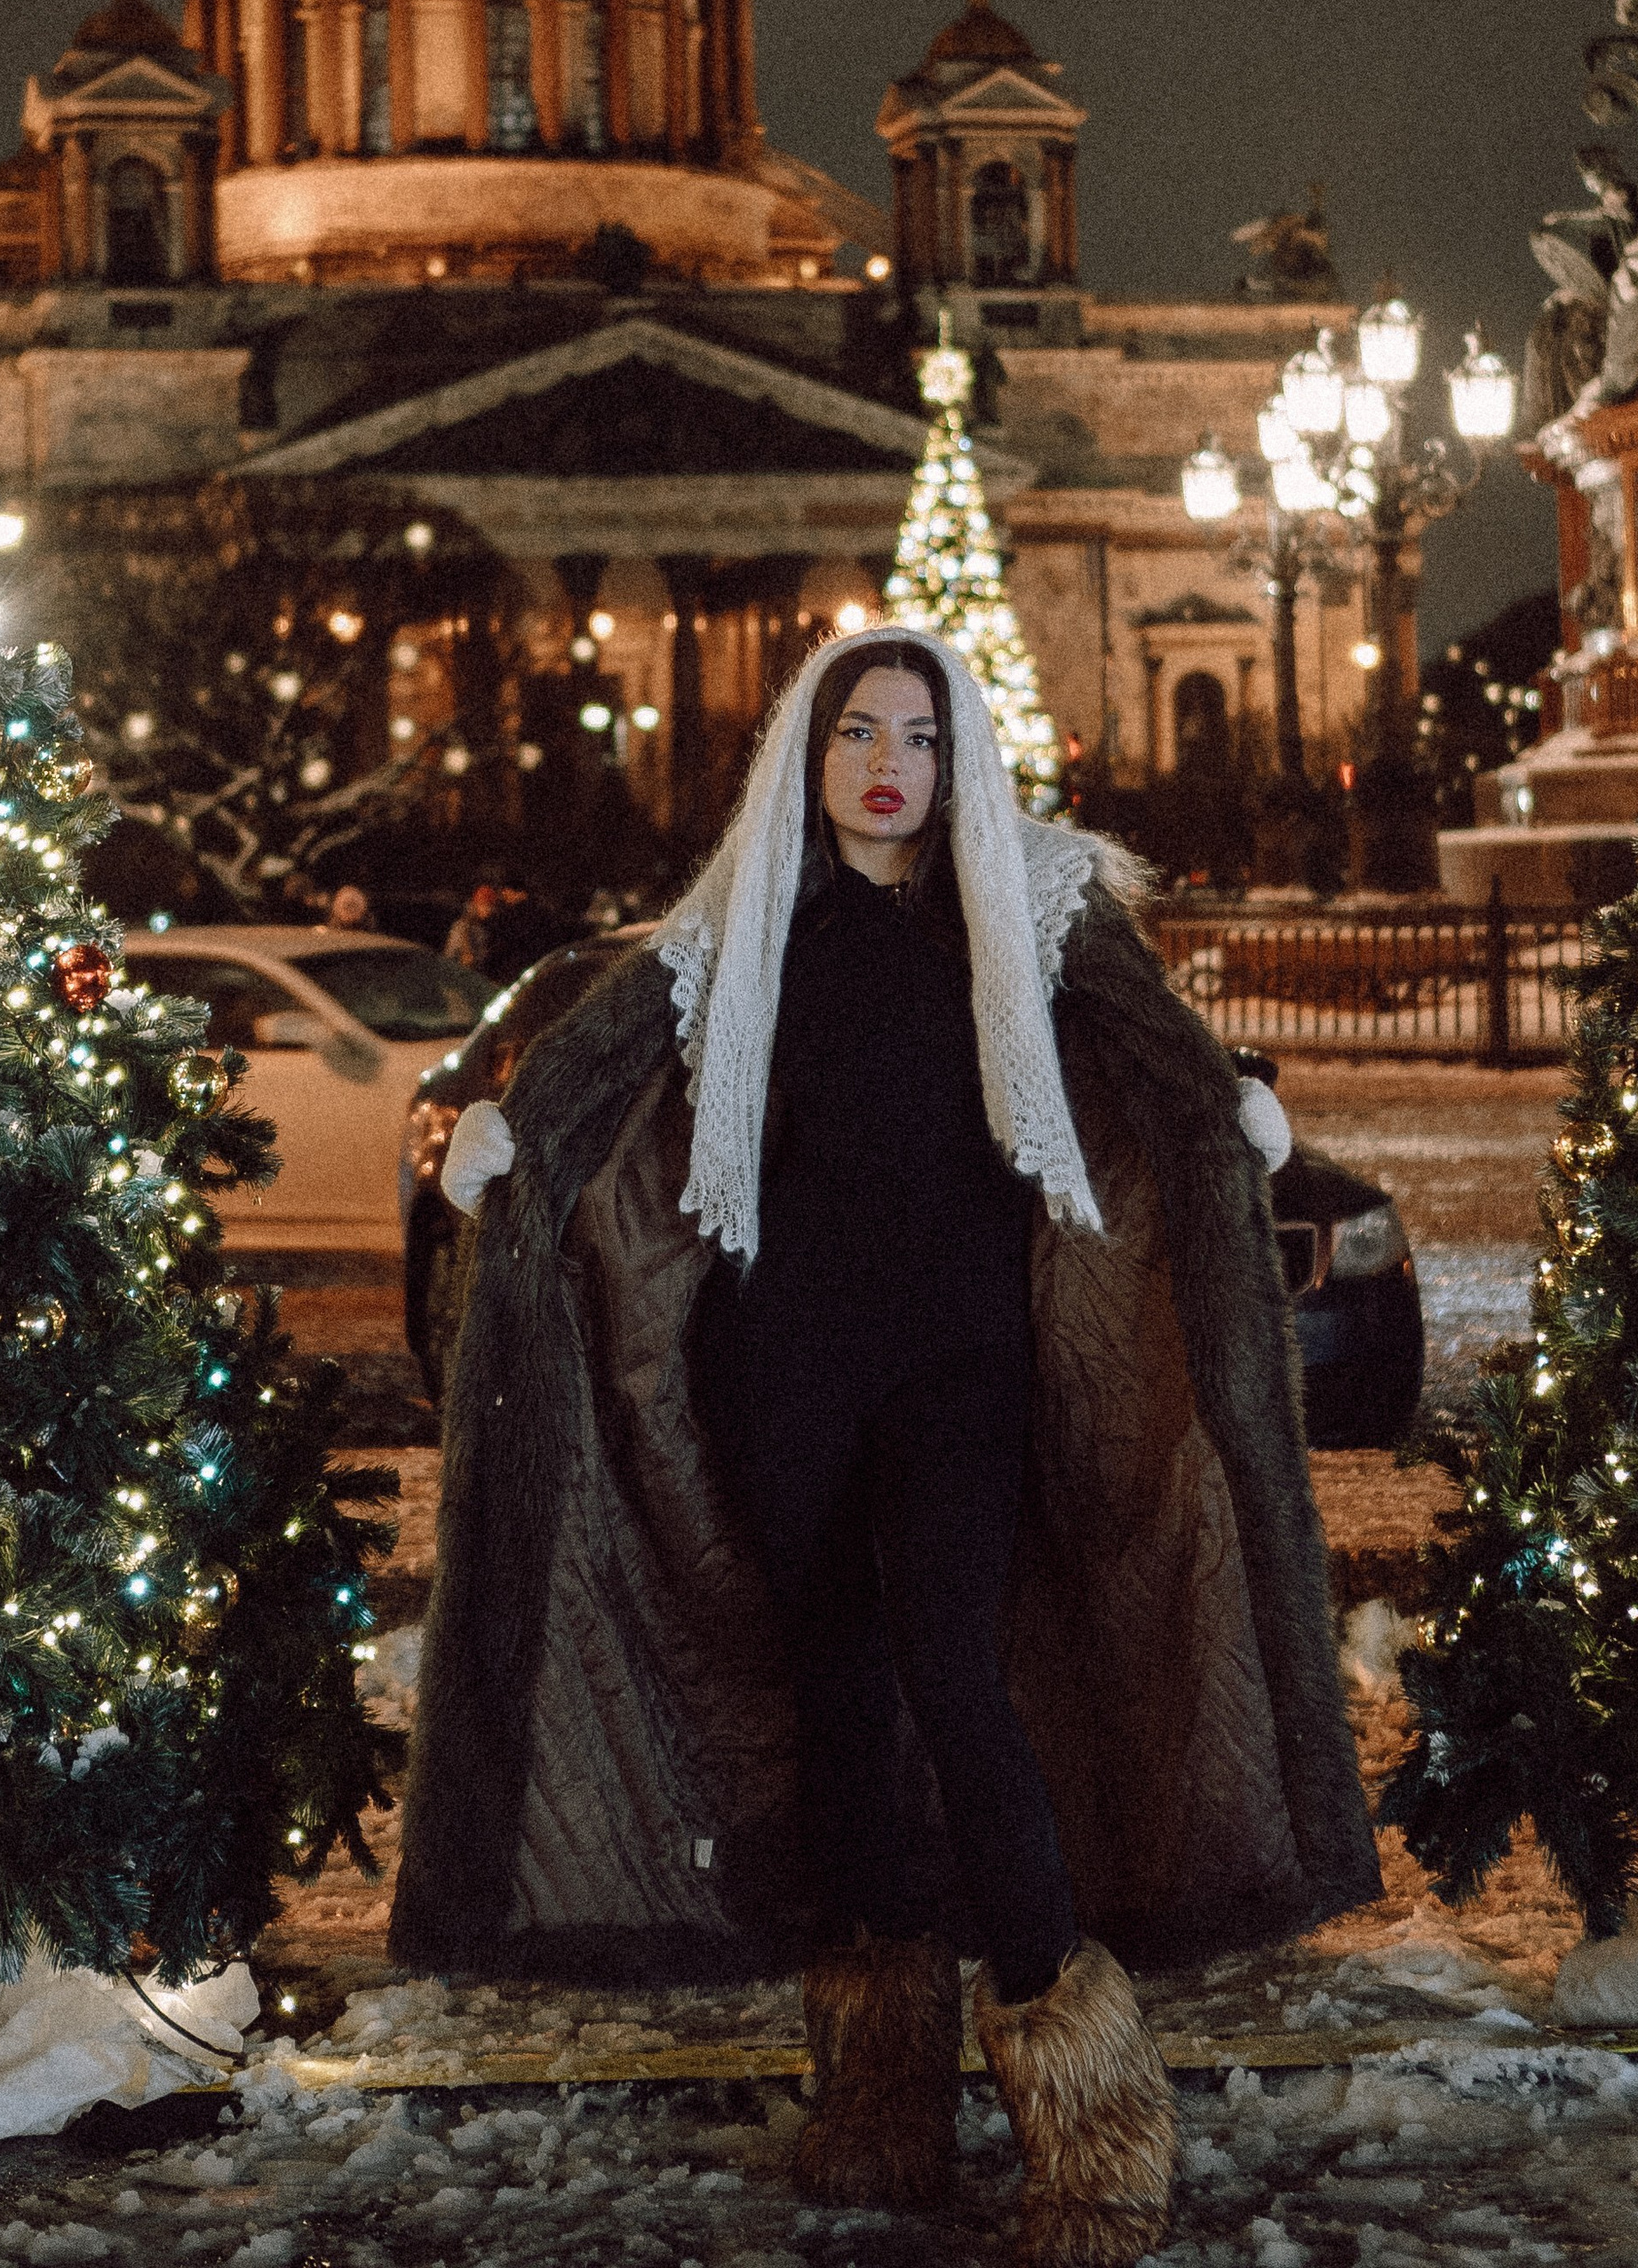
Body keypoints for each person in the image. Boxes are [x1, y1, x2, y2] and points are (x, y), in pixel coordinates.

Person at [394, 628, 1375, 2268]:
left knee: (952, 1674)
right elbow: (606, 1053)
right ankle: (883, 2088)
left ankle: (1090, 2099)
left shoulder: (1032, 898)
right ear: (811, 747)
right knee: (837, 1696)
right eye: (859, 730)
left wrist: (1235, 1111)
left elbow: (1153, 1049)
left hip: (960, 1367)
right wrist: (513, 1135)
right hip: (781, 1363)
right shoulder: (744, 914)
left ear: (954, 757)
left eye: (918, 735)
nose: (888, 764)